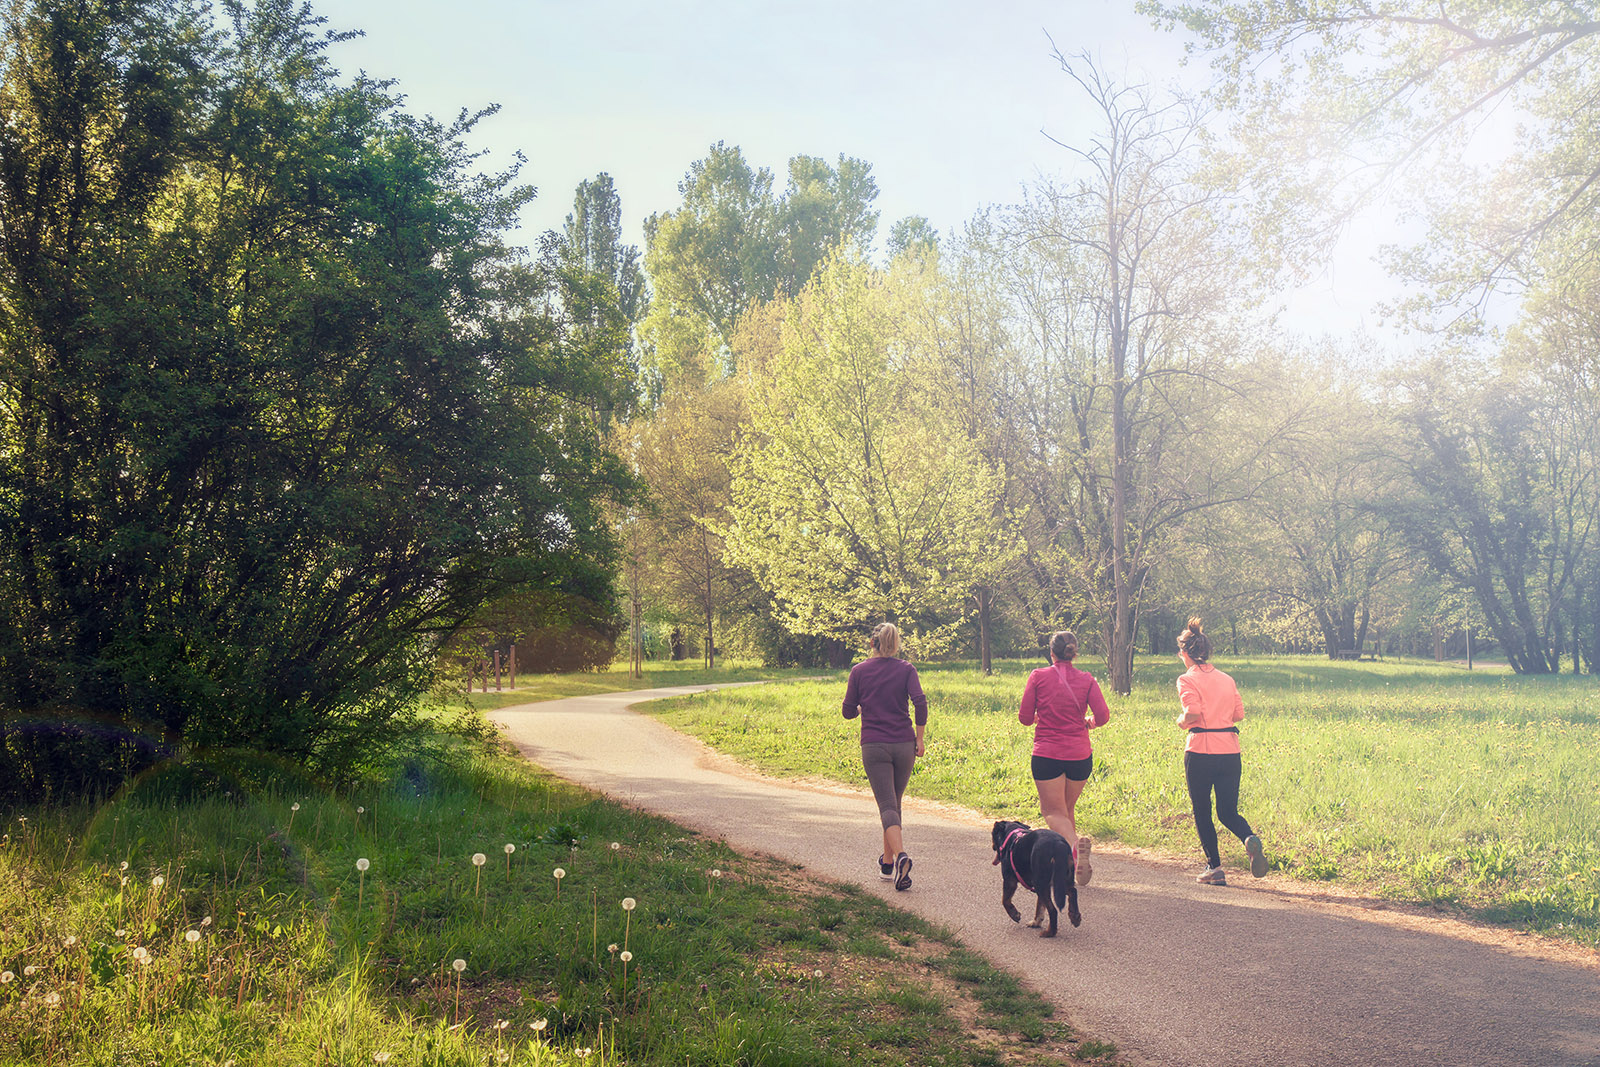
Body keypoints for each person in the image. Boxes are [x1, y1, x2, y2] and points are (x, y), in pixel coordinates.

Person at [1175, 616, 1267, 886]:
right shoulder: (1227, 679)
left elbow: (1192, 713)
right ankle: (1248, 837)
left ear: (1185, 653)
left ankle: (1214, 868)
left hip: (1200, 751)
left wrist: (1181, 721)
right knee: (1227, 811)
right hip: (1229, 751)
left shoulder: (1186, 679)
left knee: (1202, 810)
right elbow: (1238, 714)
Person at [1017, 630, 1109, 887]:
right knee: (1066, 810)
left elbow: (1024, 717)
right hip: (1080, 756)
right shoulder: (1087, 679)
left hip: (1048, 754)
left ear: (1051, 652)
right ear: (1074, 653)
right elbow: (1102, 716)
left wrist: (1039, 717)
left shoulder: (1038, 676)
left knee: (1052, 811)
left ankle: (1075, 849)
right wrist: (1088, 723)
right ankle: (1070, 867)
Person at [841, 622, 926, 891]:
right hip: (904, 743)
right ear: (895, 643)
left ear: (871, 643)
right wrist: (920, 737)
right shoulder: (906, 669)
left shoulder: (859, 671)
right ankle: (887, 863)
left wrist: (861, 707)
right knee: (894, 804)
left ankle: (901, 857)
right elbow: (920, 702)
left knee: (887, 805)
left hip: (875, 745)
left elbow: (847, 711)